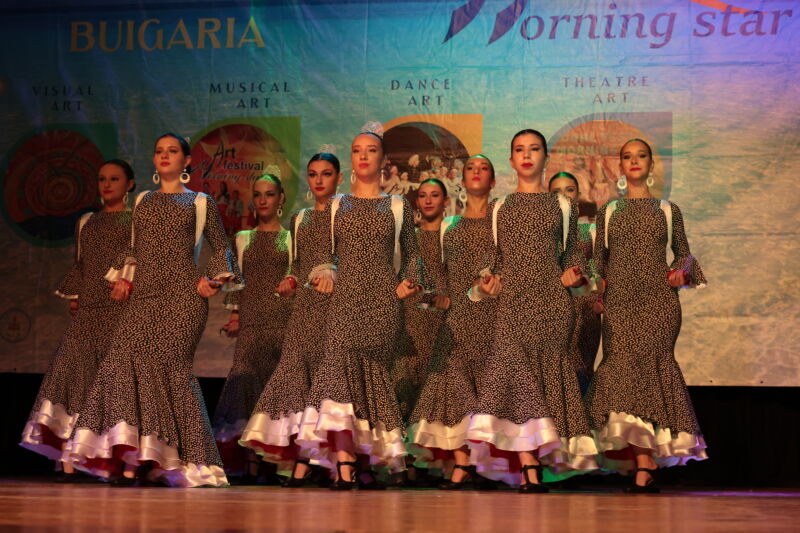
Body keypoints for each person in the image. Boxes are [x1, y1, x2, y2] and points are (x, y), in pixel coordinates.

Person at [62, 133, 242, 487]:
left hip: (182, 300)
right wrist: (122, 277)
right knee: (121, 368)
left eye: (172, 151)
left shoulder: (199, 202)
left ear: (186, 161)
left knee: (170, 373)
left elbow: (222, 246)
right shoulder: (143, 199)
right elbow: (134, 248)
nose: (165, 156)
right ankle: (132, 458)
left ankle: (187, 460)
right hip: (143, 298)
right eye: (159, 151)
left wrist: (213, 279)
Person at [297, 122, 428, 490]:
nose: (363, 156)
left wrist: (408, 283)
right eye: (357, 151)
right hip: (344, 303)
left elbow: (413, 256)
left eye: (371, 150)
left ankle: (365, 461)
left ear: (383, 160)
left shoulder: (397, 205)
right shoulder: (337, 205)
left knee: (370, 378)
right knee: (336, 375)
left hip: (382, 305)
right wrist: (324, 272)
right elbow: (323, 254)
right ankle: (345, 463)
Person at [466, 129, 598, 493]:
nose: (526, 155)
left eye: (534, 149)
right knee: (515, 374)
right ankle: (528, 466)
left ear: (545, 158)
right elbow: (492, 257)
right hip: (512, 305)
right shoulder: (499, 206)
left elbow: (572, 255)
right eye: (520, 150)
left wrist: (575, 275)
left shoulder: (563, 205)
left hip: (553, 307)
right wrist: (486, 280)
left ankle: (537, 466)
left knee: (545, 380)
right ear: (511, 160)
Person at [586, 138, 708, 493]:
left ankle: (643, 466)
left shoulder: (668, 210)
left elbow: (684, 254)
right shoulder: (609, 211)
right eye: (627, 156)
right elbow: (598, 262)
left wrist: (681, 271)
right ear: (621, 167)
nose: (634, 161)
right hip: (620, 304)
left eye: (641, 156)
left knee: (652, 372)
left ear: (651, 165)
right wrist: (597, 290)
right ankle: (643, 463)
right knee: (622, 372)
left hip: (659, 304)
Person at [20, 159, 135, 481]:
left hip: (121, 309)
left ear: (130, 184)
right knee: (75, 378)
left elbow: (139, 260)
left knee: (115, 385)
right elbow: (80, 263)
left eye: (114, 179)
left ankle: (113, 461)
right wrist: (74, 295)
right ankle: (68, 461)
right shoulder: (86, 221)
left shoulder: (136, 220)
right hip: (89, 310)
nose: (107, 184)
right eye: (102, 179)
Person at [238, 149, 342, 487]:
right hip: (305, 311)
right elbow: (297, 264)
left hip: (338, 309)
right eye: (313, 174)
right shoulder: (300, 218)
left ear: (339, 178)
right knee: (296, 381)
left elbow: (357, 261)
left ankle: (323, 462)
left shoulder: (347, 214)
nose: (319, 180)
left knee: (328, 383)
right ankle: (304, 458)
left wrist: (335, 273)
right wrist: (291, 280)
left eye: (326, 174)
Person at [407, 157, 499, 490]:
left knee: (490, 389)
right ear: (462, 180)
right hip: (458, 317)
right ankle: (462, 463)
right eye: (470, 168)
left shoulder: (500, 219)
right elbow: (443, 277)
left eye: (483, 169)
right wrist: (435, 298)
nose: (476, 172)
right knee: (453, 387)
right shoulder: (450, 225)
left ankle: (489, 464)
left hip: (495, 315)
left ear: (492, 181)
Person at [212, 173, 292, 481]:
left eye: (269, 194)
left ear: (281, 198)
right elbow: (237, 280)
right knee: (245, 386)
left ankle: (275, 461)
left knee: (277, 390)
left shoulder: (291, 238)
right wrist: (235, 314)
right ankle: (249, 461)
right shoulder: (243, 237)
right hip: (252, 323)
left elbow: (294, 277)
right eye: (257, 194)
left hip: (283, 323)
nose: (262, 200)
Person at [548, 172, 602, 393]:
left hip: (584, 312)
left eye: (569, 190)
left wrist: (599, 299)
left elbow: (602, 272)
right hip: (550, 313)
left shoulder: (590, 231)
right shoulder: (542, 234)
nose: (563, 196)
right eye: (556, 191)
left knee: (581, 375)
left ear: (578, 195)